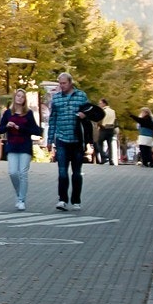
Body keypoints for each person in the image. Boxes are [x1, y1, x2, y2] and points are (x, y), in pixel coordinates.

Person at [46, 71, 99, 211]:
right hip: (62, 139)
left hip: (77, 140)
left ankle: (76, 200)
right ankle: (62, 199)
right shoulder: (56, 99)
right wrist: (50, 140)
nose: (62, 86)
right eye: (60, 83)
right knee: (62, 172)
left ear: (70, 83)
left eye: (64, 83)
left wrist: (84, 115)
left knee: (76, 173)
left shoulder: (81, 96)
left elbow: (90, 113)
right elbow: (52, 120)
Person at [0, 89, 41, 210]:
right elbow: (0, 130)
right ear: (14, 97)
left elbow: (36, 131)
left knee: (23, 173)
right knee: (13, 172)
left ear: (25, 100)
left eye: (22, 97)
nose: (20, 98)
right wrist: (7, 126)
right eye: (18, 96)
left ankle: (21, 199)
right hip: (12, 146)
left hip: (25, 146)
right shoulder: (8, 113)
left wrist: (20, 128)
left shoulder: (28, 113)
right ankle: (19, 193)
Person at [96, 97, 117, 164]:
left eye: (100, 103)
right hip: (111, 129)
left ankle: (104, 156)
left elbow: (99, 120)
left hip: (103, 128)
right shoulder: (113, 111)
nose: (99, 105)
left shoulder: (102, 111)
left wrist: (99, 125)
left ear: (104, 104)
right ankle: (111, 160)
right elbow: (115, 120)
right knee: (109, 145)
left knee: (99, 143)